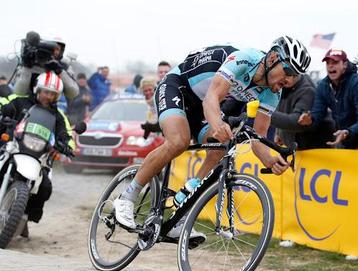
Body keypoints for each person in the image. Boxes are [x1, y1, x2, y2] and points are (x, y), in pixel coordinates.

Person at [113, 36, 311, 236]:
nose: (289, 80)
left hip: (201, 106)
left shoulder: (272, 93)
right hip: (178, 86)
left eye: (296, 76)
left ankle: (181, 209)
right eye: (288, 71)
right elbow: (211, 99)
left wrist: (270, 159)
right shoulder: (244, 60)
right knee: (179, 141)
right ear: (273, 58)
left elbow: (258, 135)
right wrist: (217, 124)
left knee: (221, 147)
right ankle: (127, 197)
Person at [0, 71, 75, 236]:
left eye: (52, 94)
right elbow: (4, 103)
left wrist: (67, 145)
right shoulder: (20, 100)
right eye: (45, 92)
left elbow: (67, 133)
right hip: (15, 145)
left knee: (45, 187)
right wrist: (3, 114)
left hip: (40, 154)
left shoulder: (58, 115)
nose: (48, 96)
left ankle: (23, 217)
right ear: (37, 90)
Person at [298, 49, 358, 150]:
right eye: (328, 63)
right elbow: (318, 113)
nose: (330, 65)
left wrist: (347, 132)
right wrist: (310, 120)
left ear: (345, 65)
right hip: (345, 137)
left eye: (335, 62)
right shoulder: (323, 85)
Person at [271, 73, 334, 150]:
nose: (285, 79)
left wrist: (266, 113)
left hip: (315, 149)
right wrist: (279, 133)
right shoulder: (285, 87)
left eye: (289, 74)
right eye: (283, 74)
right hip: (297, 149)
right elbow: (281, 109)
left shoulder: (308, 91)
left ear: (298, 73)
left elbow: (298, 122)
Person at [14, 34, 79, 102]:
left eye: (57, 49)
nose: (53, 52)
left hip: (50, 106)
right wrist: (27, 67)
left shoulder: (64, 66)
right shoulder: (31, 63)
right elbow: (19, 92)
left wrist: (59, 71)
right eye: (50, 49)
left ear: (61, 51)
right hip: (26, 104)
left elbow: (73, 93)